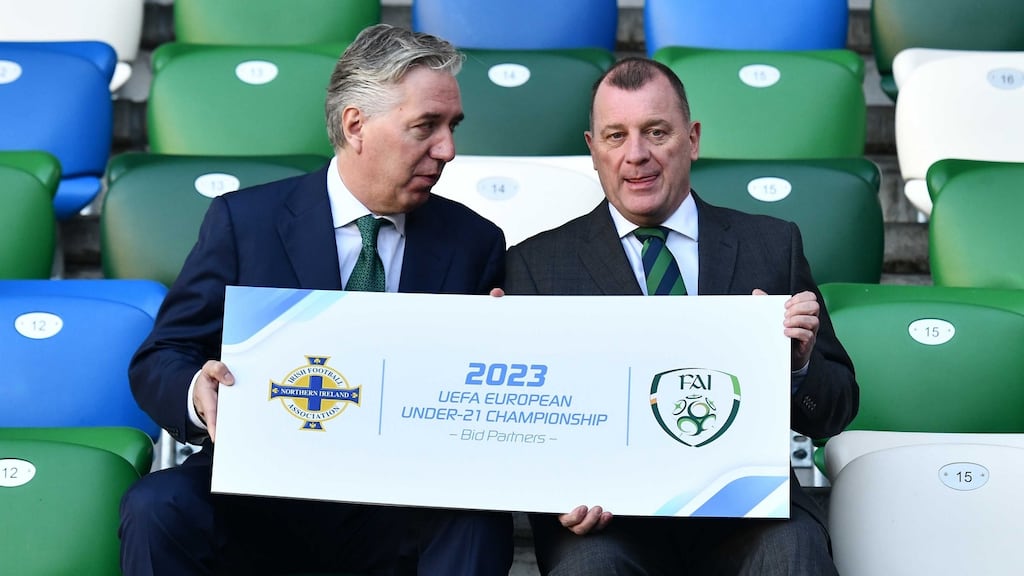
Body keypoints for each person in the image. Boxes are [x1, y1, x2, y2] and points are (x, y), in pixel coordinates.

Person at [119, 24, 513, 576]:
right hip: (262, 495)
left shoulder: (475, 241)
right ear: (356, 125)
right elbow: (162, 356)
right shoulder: (246, 222)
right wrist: (196, 390)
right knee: (157, 506)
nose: (447, 149)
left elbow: (484, 401)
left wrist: (502, 348)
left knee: (476, 519)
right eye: (426, 126)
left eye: (451, 126)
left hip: (399, 503)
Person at [504, 57, 860, 575]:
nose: (636, 155)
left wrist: (799, 365)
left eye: (656, 132)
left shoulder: (770, 244)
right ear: (592, 148)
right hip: (611, 522)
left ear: (691, 139)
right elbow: (523, 426)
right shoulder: (533, 265)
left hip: (749, 516)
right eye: (615, 136)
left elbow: (834, 412)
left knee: (793, 551)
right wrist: (556, 492)